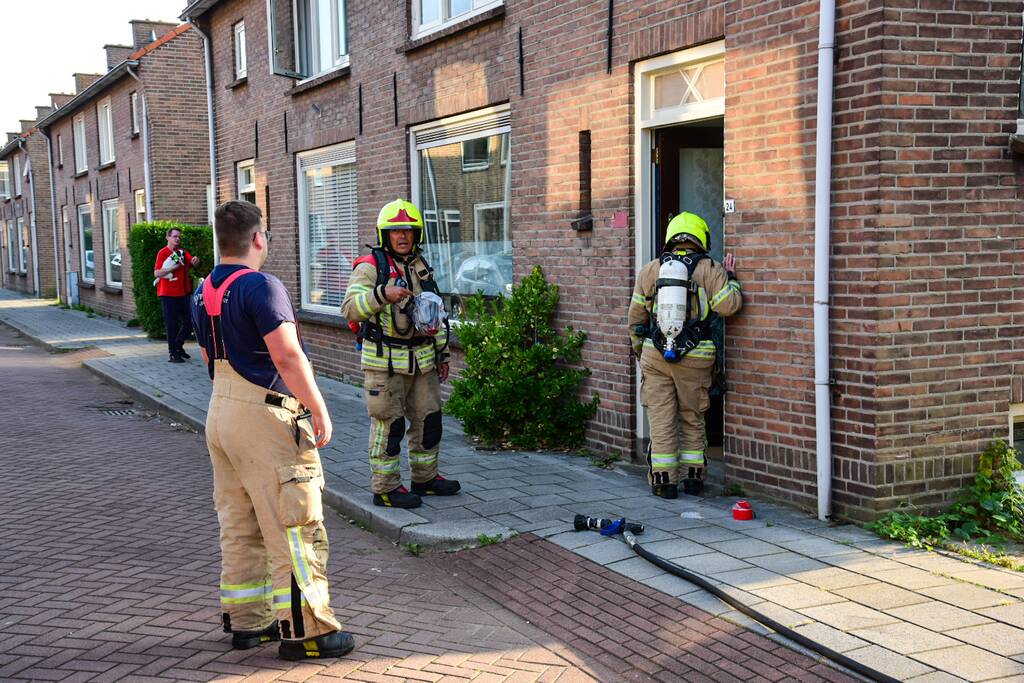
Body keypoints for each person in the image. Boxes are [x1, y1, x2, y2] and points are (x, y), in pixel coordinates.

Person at [190, 200, 354, 660]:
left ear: (218, 240)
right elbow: (286, 355)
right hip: (265, 413)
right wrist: (317, 406)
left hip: (220, 411)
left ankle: (249, 623)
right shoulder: (263, 286)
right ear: (258, 238)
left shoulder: (202, 291)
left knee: (239, 521)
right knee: (294, 522)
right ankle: (309, 633)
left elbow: (206, 357)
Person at [341, 199, 459, 509]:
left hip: (423, 362)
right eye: (396, 231)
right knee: (389, 426)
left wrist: (442, 355)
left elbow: (434, 313)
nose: (403, 236)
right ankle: (385, 489)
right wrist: (382, 294)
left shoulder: (420, 266)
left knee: (429, 421)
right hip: (385, 364)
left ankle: (426, 479)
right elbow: (349, 308)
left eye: (408, 230)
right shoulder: (370, 267)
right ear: (385, 235)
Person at [628, 211, 743, 498]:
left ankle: (664, 481)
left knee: (662, 418)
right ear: (701, 237)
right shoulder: (710, 269)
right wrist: (733, 281)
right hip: (697, 358)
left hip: (656, 355)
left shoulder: (651, 270)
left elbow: (636, 318)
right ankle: (693, 478)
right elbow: (728, 306)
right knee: (692, 416)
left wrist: (639, 349)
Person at [154, 227, 200, 363]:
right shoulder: (162, 253)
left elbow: (192, 263)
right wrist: (172, 268)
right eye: (174, 236)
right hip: (168, 294)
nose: (177, 239)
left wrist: (195, 262)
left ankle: (178, 346)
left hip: (184, 292)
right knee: (171, 324)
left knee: (189, 322)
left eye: (179, 236)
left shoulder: (182, 252)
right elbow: (157, 273)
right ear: (167, 238)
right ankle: (173, 353)